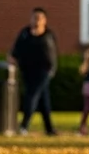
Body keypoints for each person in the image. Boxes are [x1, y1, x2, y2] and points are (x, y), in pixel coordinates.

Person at [8, 7, 58, 136]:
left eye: (39, 18)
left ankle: (24, 125)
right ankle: (50, 129)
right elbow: (16, 50)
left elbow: (52, 55)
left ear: (44, 20)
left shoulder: (48, 35)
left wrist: (51, 69)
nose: (36, 21)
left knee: (32, 95)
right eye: (34, 18)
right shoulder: (25, 33)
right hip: (27, 70)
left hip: (44, 71)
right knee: (43, 100)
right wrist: (12, 58)